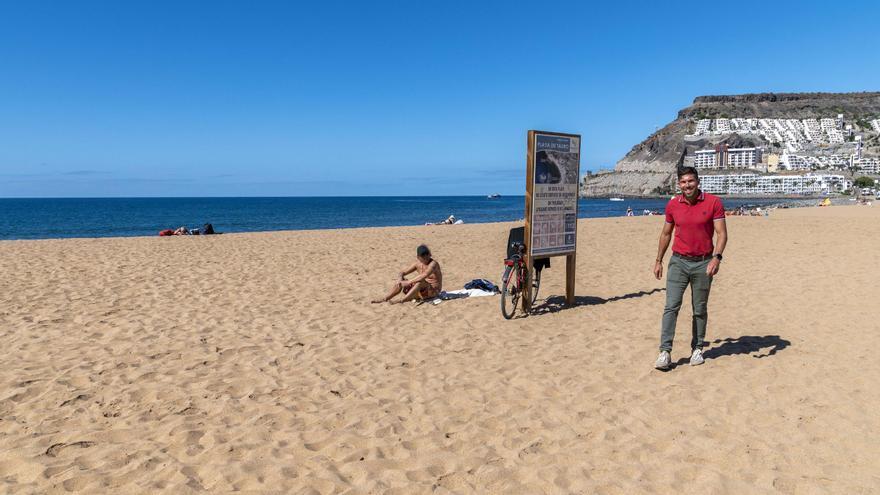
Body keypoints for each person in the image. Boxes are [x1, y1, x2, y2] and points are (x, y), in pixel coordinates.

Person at [653, 167, 728, 370]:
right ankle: (665, 352)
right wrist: (658, 260)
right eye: (683, 182)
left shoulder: (713, 202)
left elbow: (721, 234)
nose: (687, 185)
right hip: (678, 261)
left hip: (704, 262)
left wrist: (717, 258)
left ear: (698, 182)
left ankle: (697, 348)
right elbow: (666, 234)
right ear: (679, 184)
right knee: (671, 306)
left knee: (699, 308)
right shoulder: (673, 204)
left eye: (691, 181)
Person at [372, 244, 443, 304]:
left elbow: (424, 275)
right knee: (402, 280)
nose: (426, 258)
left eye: (427, 255)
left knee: (419, 282)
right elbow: (402, 272)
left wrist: (409, 282)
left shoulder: (433, 264)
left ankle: (403, 300)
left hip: (433, 291)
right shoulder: (417, 264)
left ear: (430, 254)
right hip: (422, 291)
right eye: (423, 257)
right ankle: (385, 298)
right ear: (418, 257)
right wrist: (399, 279)